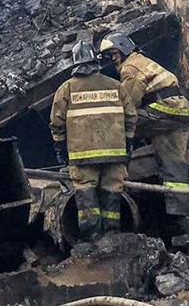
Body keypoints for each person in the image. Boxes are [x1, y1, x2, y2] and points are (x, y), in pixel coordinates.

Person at [99, 32, 189, 235]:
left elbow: (127, 104)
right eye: (110, 56)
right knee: (173, 166)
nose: (113, 59)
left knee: (120, 121)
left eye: (114, 53)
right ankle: (181, 220)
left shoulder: (130, 67)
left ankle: (115, 169)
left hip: (165, 111)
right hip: (181, 113)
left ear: (124, 48)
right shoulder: (142, 61)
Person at [50, 40, 137, 239]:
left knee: (86, 193)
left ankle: (93, 238)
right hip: (114, 154)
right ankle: (113, 236)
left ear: (75, 64)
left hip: (82, 157)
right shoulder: (115, 86)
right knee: (112, 192)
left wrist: (61, 147)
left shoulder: (66, 89)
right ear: (95, 61)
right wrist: (128, 142)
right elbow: (131, 117)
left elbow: (56, 123)